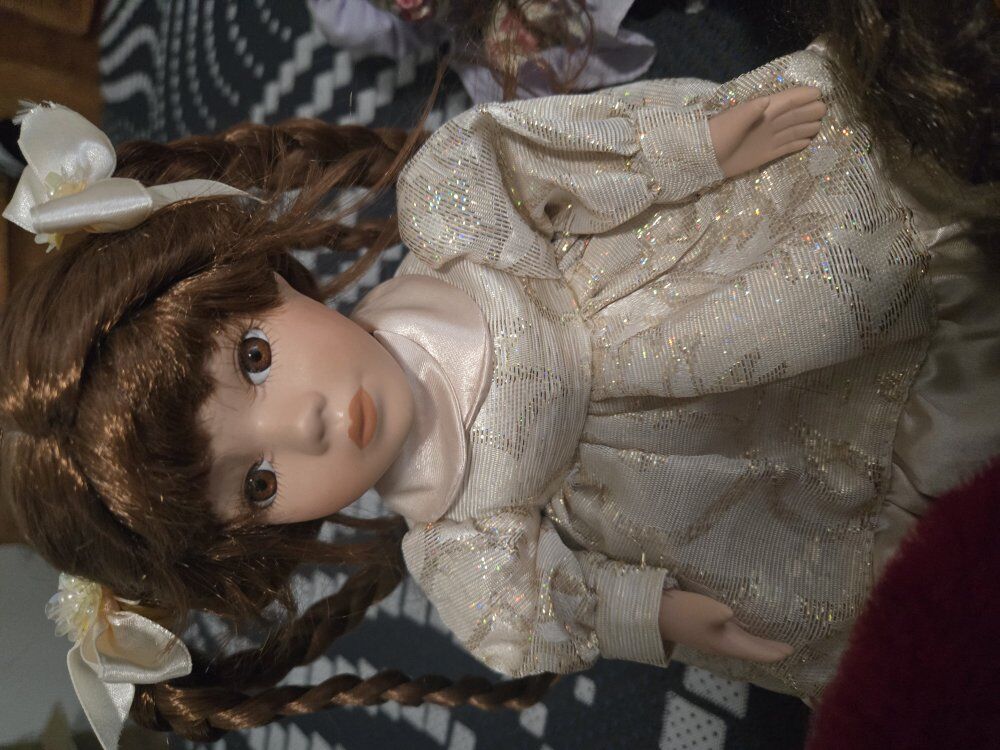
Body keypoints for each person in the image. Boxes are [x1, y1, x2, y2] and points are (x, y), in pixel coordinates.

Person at [1, 29, 996, 749]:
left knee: (869, 270)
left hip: (704, 292)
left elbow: (565, 159)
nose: (305, 424)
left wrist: (698, 145)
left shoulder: (451, 205)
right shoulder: (458, 551)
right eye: (258, 483)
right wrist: (654, 615)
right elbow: (555, 611)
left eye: (255, 359)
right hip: (709, 496)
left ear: (255, 275)